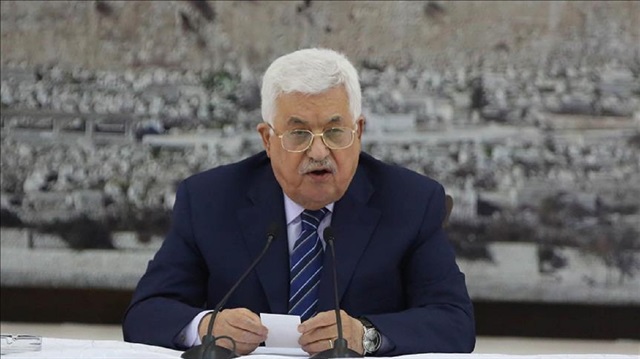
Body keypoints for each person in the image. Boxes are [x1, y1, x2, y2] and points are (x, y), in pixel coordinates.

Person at [123, 48, 475, 355]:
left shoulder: (411, 202)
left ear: (359, 132)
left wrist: (366, 335)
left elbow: (454, 322)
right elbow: (146, 313)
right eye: (298, 133)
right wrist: (204, 327)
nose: (319, 151)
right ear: (267, 139)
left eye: (335, 132)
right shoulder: (209, 200)